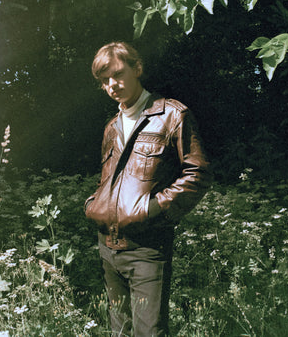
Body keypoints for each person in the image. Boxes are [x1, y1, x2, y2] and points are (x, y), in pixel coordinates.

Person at [85, 42, 211, 336]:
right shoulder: (112, 127)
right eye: (104, 80)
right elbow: (107, 180)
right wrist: (94, 204)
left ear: (137, 68)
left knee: (149, 332)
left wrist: (153, 210)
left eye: (118, 74)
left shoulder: (171, 115)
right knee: (119, 332)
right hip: (108, 246)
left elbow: (198, 173)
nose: (112, 85)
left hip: (147, 248)